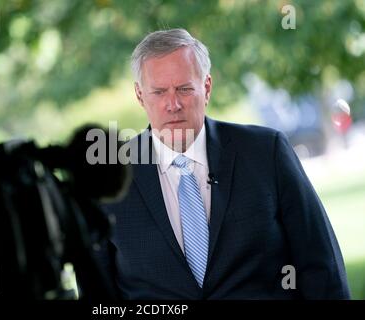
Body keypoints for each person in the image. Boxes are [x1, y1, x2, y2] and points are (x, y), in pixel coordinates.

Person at [94, 28, 351, 299]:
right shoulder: (108, 174)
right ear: (139, 95)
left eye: (184, 89)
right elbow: (97, 292)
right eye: (158, 92)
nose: (173, 104)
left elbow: (321, 267)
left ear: (206, 87)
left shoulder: (266, 152)